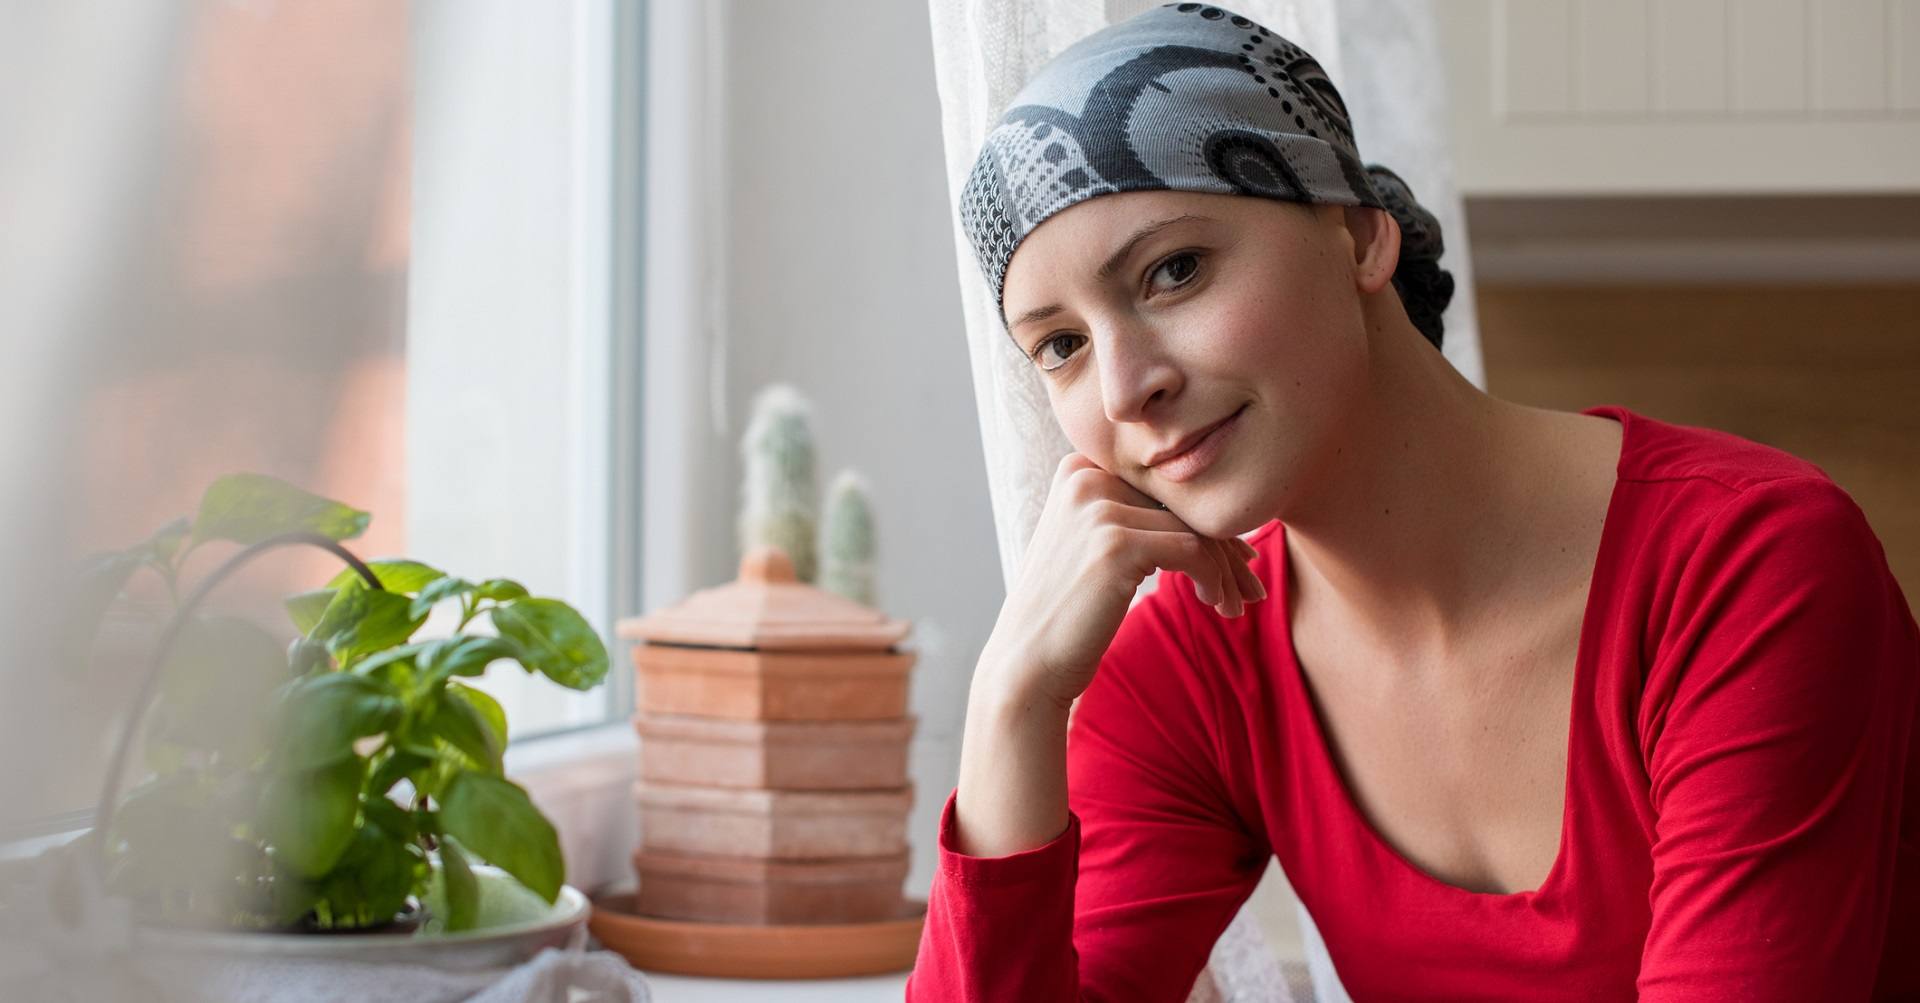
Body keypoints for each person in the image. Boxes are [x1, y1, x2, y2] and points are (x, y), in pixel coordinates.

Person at [907, 4, 1920, 1000]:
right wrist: (1013, 703)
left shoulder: (1750, 569)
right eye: (1062, 345)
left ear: (1355, 238)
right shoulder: (1197, 665)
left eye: (1175, 270)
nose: (1127, 388)